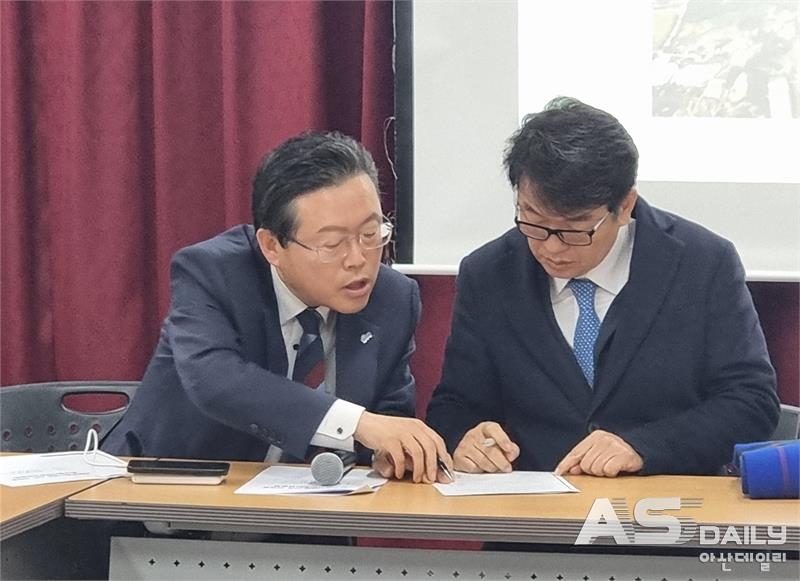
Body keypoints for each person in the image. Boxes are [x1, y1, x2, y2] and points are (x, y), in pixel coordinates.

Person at [426, 97, 779, 477]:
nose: (551, 248)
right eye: (532, 220)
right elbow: (455, 406)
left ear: (624, 206)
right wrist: (465, 439)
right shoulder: (489, 274)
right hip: (537, 506)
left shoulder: (702, 264)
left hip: (669, 502)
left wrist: (642, 447)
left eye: (575, 229)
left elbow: (751, 403)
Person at [104, 131, 452, 484]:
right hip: (164, 493)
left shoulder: (393, 298)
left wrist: (390, 452)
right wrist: (358, 424)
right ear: (272, 246)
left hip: (308, 509)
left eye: (371, 234)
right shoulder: (214, 273)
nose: (358, 259)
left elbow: (389, 412)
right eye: (332, 244)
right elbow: (216, 380)